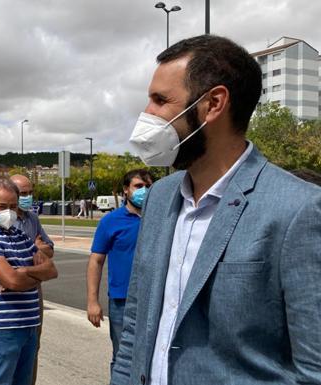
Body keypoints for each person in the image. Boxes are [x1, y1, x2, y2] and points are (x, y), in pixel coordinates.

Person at [112, 35, 321, 385]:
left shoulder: (298, 209)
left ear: (214, 104)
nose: (147, 115)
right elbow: (135, 324)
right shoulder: (160, 197)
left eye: (160, 100)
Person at [0, 179, 58, 385]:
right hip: (3, 330)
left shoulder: (20, 235)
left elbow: (52, 270)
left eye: (12, 206)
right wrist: (26, 276)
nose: (8, 212)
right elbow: (12, 281)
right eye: (2, 206)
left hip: (29, 325)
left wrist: (24, 270)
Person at [86, 169, 152, 384]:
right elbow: (96, 261)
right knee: (124, 358)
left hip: (155, 300)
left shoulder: (162, 219)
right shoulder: (110, 221)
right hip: (122, 302)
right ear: (126, 190)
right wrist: (92, 302)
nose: (145, 191)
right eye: (139, 186)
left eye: (149, 186)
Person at [9, 174, 54, 385]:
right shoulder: (3, 220)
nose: (27, 197)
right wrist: (34, 251)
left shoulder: (32, 219)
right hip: (11, 297)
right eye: (23, 193)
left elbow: (50, 251)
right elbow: (9, 263)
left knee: (32, 346)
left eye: (30, 192)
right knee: (9, 350)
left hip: (34, 294)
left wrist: (36, 250)